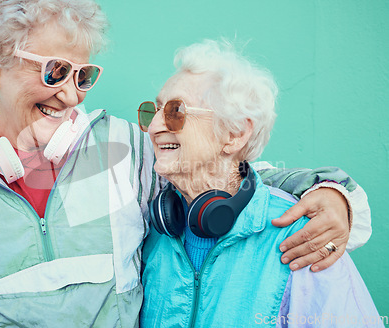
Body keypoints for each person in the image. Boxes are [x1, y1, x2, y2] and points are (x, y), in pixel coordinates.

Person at [0, 0, 371, 327]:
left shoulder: (123, 150)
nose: (70, 93)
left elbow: (230, 178)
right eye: (55, 71)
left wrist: (333, 193)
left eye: (84, 75)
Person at [139, 39, 382, 327]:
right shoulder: (154, 228)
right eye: (152, 110)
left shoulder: (306, 238)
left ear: (235, 133)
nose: (154, 127)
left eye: (175, 112)